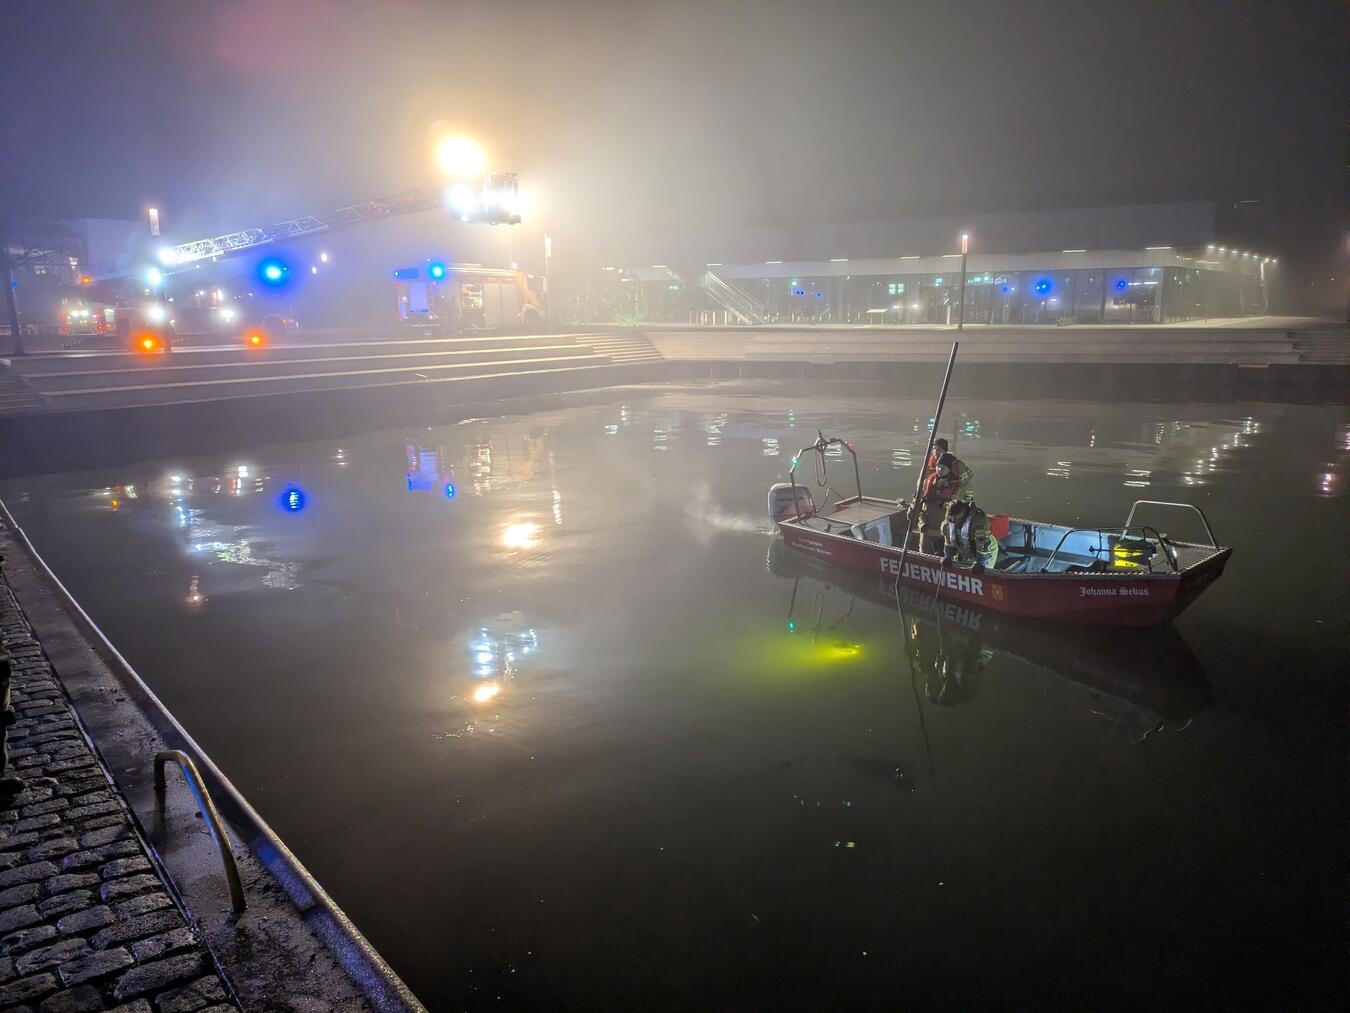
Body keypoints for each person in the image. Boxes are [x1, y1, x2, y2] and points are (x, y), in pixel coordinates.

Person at [941, 498, 999, 574]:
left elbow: (982, 545)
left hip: (985, 549)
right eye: (951, 518)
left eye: (957, 518)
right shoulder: (948, 522)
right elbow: (948, 542)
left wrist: (980, 564)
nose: (953, 520)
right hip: (963, 546)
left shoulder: (980, 521)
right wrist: (947, 556)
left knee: (980, 574)